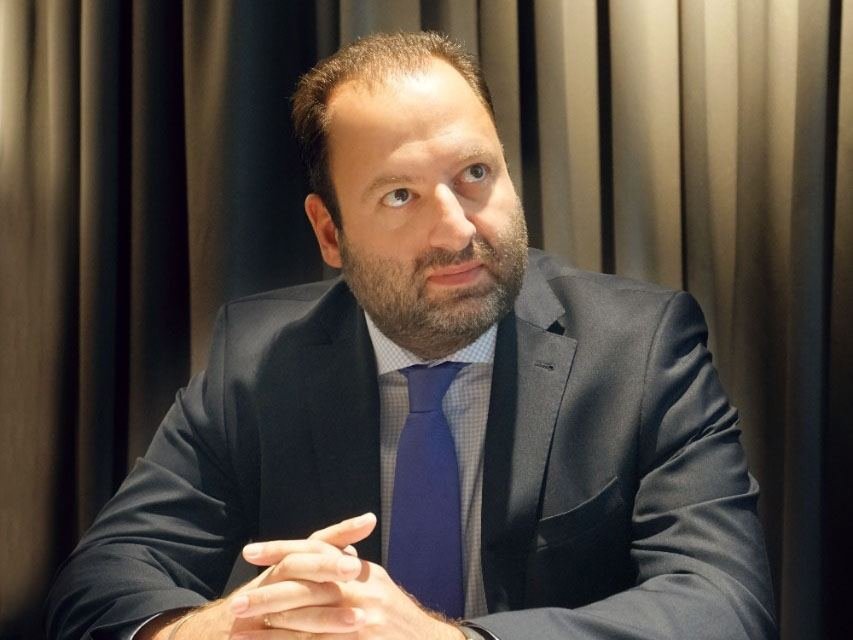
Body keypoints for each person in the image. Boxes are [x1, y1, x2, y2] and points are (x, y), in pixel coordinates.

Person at [46, 31, 776, 640]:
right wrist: (230, 625)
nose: (456, 229)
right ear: (329, 233)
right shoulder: (259, 357)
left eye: (475, 173)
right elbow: (99, 584)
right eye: (400, 195)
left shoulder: (641, 347)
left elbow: (725, 605)